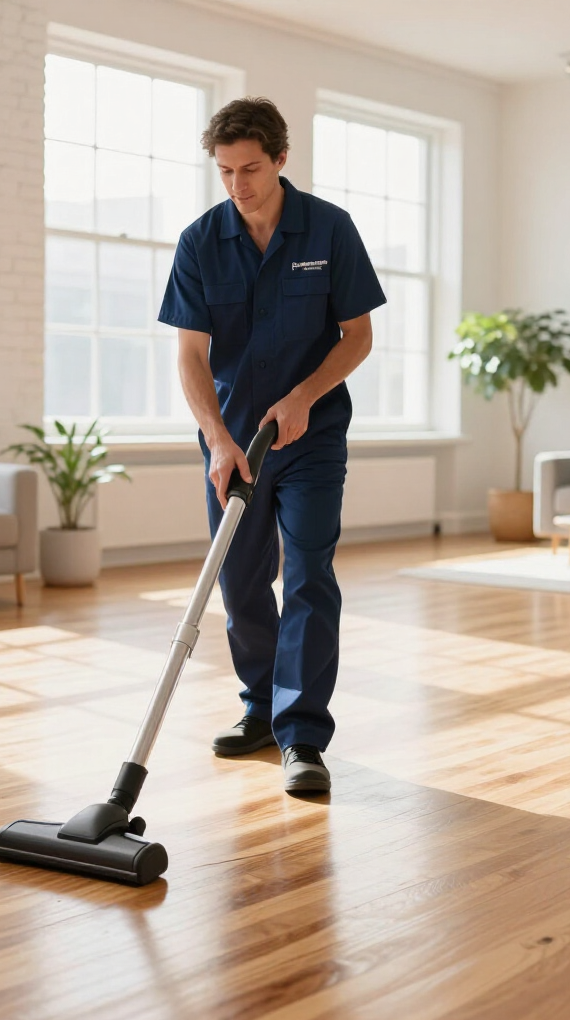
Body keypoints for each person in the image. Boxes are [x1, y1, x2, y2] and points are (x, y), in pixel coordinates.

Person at [157, 97, 385, 794]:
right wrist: (218, 440)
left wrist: (303, 396)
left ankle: (303, 735)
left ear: (281, 159)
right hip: (233, 443)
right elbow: (192, 356)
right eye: (224, 171)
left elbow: (359, 337)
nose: (237, 186)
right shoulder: (200, 242)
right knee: (240, 579)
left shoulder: (330, 230)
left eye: (250, 169)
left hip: (310, 440)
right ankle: (261, 708)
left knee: (310, 574)